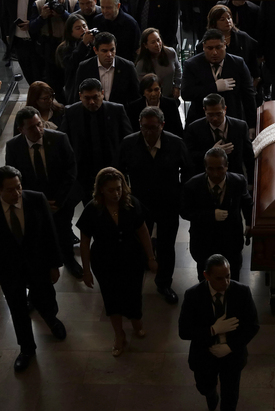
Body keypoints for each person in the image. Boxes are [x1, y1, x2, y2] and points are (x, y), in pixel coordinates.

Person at [77, 167, 157, 356]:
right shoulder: (92, 209)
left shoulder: (131, 204)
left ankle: (137, 323)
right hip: (105, 261)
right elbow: (85, 241)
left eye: (119, 188)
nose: (116, 193)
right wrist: (86, 270)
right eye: (111, 190)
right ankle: (118, 334)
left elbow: (143, 231)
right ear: (101, 189)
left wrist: (151, 257)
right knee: (111, 298)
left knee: (134, 293)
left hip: (132, 259)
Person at [117, 107, 193, 305]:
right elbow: (119, 172)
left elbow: (187, 173)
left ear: (162, 125)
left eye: (153, 128)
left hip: (168, 203)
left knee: (167, 246)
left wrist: (181, 197)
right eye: (144, 128)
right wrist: (126, 194)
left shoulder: (176, 143)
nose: (148, 133)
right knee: (137, 244)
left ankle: (164, 283)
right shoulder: (128, 143)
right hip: (139, 204)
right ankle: (135, 281)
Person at [0, 165, 67, 372]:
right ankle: (27, 349)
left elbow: (50, 234)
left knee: (46, 297)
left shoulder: (36, 200)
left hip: (38, 265)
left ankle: (52, 320)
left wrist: (55, 265)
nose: (16, 193)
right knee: (18, 310)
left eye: (18, 187)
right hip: (9, 270)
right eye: (10, 190)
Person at [6, 106, 81, 278]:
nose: (38, 129)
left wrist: (59, 201)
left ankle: (69, 261)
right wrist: (38, 201)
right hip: (33, 203)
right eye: (32, 127)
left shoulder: (59, 139)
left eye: (39, 124)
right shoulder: (13, 146)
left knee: (63, 233)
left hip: (60, 200)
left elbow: (71, 171)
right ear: (21, 129)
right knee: (38, 237)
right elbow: (15, 178)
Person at [179, 254, 259, 411]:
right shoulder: (193, 295)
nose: (226, 282)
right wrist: (212, 330)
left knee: (230, 396)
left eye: (228, 276)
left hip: (232, 355)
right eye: (219, 278)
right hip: (204, 355)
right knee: (204, 387)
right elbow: (184, 331)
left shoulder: (242, 292)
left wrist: (230, 347)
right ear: (206, 276)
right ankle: (211, 395)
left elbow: (253, 325)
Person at [180, 147, 253, 282]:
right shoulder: (192, 185)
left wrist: (249, 223)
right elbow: (184, 212)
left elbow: (247, 204)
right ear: (205, 168)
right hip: (204, 242)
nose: (215, 173)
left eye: (219, 168)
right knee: (205, 280)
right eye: (210, 169)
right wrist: (210, 215)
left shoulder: (238, 182)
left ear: (227, 166)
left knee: (233, 278)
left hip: (231, 241)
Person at [60, 78, 133, 204]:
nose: (92, 102)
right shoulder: (71, 112)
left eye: (95, 97)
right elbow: (64, 143)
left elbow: (128, 140)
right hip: (84, 174)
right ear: (80, 96)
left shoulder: (116, 110)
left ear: (102, 94)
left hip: (113, 170)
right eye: (87, 98)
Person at [182, 29, 256, 134]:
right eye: (210, 48)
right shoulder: (192, 65)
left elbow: (248, 96)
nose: (214, 52)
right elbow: (186, 94)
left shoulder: (238, 64)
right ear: (203, 47)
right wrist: (214, 87)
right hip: (201, 124)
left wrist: (252, 125)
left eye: (218, 47)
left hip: (232, 122)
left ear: (225, 44)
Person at [184, 93, 254, 183]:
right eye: (210, 115)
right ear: (204, 110)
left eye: (218, 114)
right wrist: (212, 151)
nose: (215, 118)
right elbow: (189, 157)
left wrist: (251, 182)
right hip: (206, 181)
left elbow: (248, 157)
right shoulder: (194, 128)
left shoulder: (240, 127)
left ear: (225, 109)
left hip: (235, 180)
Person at [195, 5, 260, 91]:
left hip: (241, 85)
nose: (227, 21)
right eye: (222, 19)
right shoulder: (206, 42)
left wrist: (256, 78)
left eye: (229, 18)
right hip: (217, 86)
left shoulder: (243, 37)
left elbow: (253, 60)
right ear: (214, 22)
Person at [73, 31, 140, 106]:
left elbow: (136, 97)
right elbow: (78, 98)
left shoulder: (127, 67)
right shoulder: (84, 68)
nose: (109, 54)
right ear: (95, 50)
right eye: (104, 51)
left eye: (112, 50)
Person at [126, 74, 183, 138]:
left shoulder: (170, 105)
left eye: (156, 90)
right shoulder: (134, 107)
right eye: (149, 90)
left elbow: (178, 130)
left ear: (160, 90)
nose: (153, 94)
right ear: (143, 92)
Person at [2, 0, 44, 85]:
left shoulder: (38, 1)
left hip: (37, 42)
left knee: (41, 76)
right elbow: (5, 16)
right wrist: (7, 35)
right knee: (28, 74)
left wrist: (32, 24)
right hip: (19, 42)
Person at [56, 13, 96, 104]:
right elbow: (71, 64)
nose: (83, 30)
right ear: (70, 32)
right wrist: (83, 44)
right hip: (75, 88)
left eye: (84, 26)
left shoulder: (92, 44)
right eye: (78, 28)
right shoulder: (64, 48)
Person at [135, 28, 181, 100]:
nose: (157, 44)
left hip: (171, 97)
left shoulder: (171, 53)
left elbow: (178, 70)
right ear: (145, 45)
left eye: (158, 40)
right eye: (153, 42)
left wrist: (177, 86)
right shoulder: (141, 64)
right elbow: (141, 86)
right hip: (152, 100)